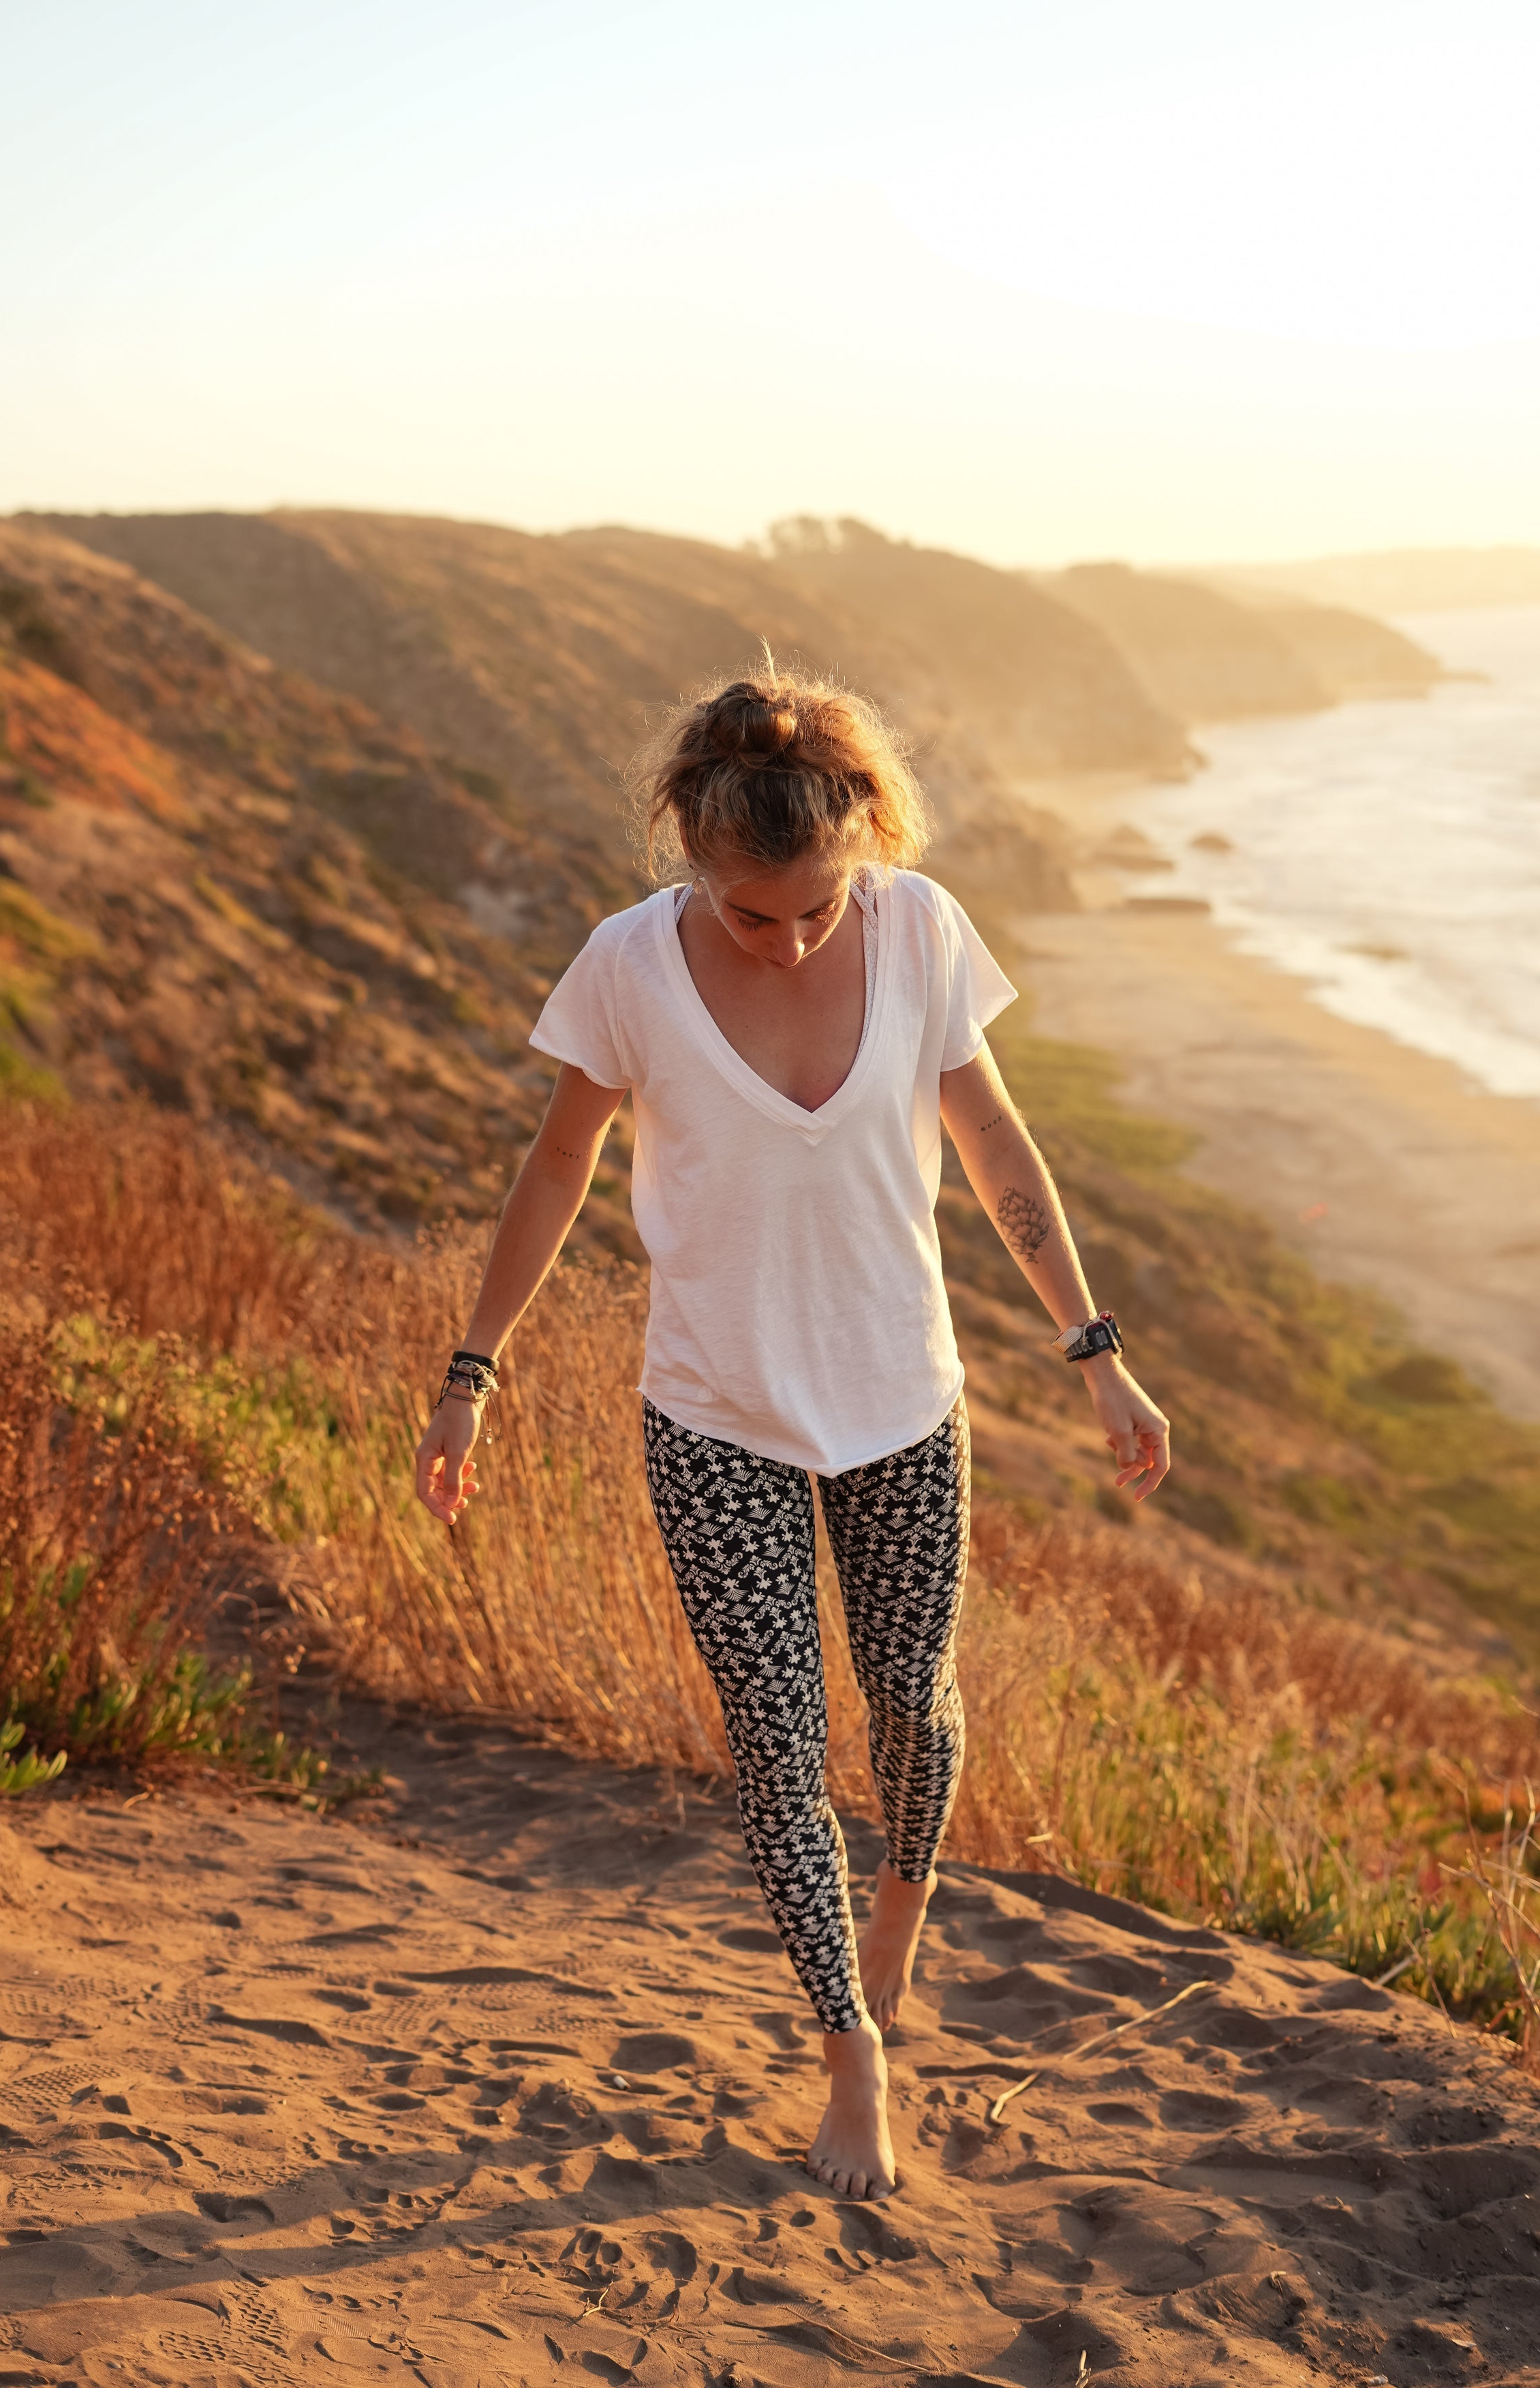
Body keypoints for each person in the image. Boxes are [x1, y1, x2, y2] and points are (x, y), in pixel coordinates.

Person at [414, 669, 1170, 2202]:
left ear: (861, 839)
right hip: (717, 1418)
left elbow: (994, 1139)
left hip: (903, 1399)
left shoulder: (919, 927)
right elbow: (557, 1166)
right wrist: (469, 1370)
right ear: (691, 854)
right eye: (754, 915)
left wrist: (1096, 1355)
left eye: (816, 904)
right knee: (772, 1747)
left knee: (913, 1701)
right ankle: (851, 2054)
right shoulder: (627, 967)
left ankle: (904, 1891)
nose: (793, 937)